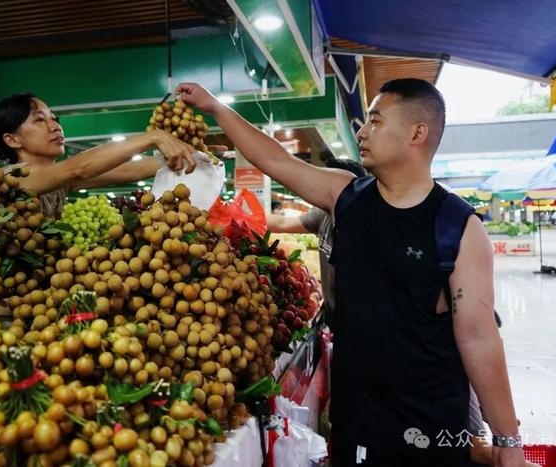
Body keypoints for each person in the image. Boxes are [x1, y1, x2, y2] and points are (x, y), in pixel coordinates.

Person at [177, 79, 526, 466]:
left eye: (376, 121)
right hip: (356, 429)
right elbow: (277, 161)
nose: (362, 131)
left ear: (417, 133)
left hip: (432, 435)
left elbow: (479, 338)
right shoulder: (347, 198)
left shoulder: (458, 227)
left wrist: (508, 441)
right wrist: (216, 108)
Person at [0, 93, 196, 218]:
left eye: (54, 118)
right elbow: (77, 168)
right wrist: (152, 137)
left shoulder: (58, 180)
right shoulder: (14, 178)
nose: (55, 127)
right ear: (12, 139)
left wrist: (192, 155)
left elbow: (127, 170)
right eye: (39, 120)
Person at [267, 158, 367, 328]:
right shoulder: (323, 214)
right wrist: (235, 215)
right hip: (335, 317)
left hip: (363, 321)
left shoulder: (365, 223)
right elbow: (282, 224)